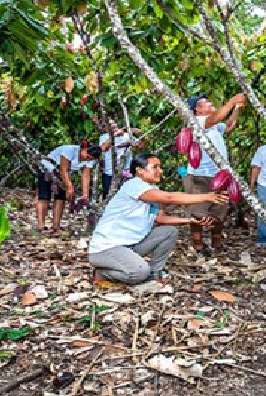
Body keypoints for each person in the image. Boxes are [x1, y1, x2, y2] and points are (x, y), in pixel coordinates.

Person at [88, 153, 228, 284]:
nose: (160, 171)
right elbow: (170, 197)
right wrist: (208, 196)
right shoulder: (134, 185)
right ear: (140, 170)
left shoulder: (152, 189)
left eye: (159, 167)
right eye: (155, 167)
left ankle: (155, 272)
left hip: (129, 245)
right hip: (106, 248)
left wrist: (190, 221)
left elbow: (161, 218)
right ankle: (103, 274)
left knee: (169, 232)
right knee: (139, 272)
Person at [183, 91, 246, 257]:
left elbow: (229, 126)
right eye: (206, 103)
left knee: (219, 211)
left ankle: (216, 242)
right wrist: (232, 100)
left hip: (219, 175)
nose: (211, 103)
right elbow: (217, 118)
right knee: (197, 212)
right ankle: (198, 245)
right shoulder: (196, 122)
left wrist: (237, 108)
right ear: (198, 110)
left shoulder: (212, 125)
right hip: (199, 176)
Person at [36, 143, 101, 233]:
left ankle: (56, 226)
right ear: (84, 150)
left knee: (60, 198)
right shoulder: (70, 150)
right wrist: (69, 186)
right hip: (48, 168)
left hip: (63, 174)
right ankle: (41, 226)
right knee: (44, 196)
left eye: (90, 158)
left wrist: (85, 194)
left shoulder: (90, 160)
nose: (87, 158)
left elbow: (85, 176)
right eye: (87, 156)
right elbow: (63, 169)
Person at [98, 120, 143, 198]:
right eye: (110, 124)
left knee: (127, 195)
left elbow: (140, 145)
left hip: (126, 171)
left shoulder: (127, 136)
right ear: (106, 128)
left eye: (114, 123)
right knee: (108, 194)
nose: (113, 125)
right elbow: (103, 148)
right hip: (110, 172)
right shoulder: (104, 137)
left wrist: (138, 133)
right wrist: (115, 135)